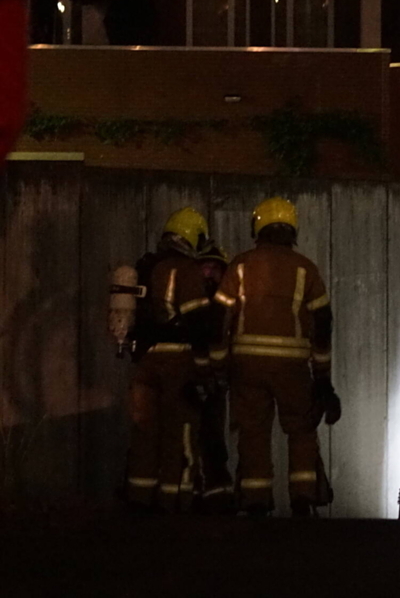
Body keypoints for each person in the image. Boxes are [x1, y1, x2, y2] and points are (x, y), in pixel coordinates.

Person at [210, 197, 341, 517]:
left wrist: (216, 365)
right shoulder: (306, 268)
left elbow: (218, 317)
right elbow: (323, 322)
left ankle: (256, 501)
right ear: (292, 229)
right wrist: (323, 378)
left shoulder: (240, 266)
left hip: (247, 366)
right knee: (301, 429)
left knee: (253, 431)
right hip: (293, 367)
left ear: (258, 227)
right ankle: (303, 498)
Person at [124, 207, 215, 512]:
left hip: (146, 360)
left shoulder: (146, 267)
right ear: (192, 236)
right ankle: (176, 500)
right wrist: (204, 371)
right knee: (182, 432)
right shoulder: (185, 269)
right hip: (178, 361)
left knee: (146, 433)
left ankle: (139, 498)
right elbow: (199, 322)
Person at [194, 241, 234, 513]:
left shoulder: (228, 304)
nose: (208, 274)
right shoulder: (192, 302)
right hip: (192, 382)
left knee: (212, 440)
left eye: (214, 269)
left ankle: (216, 499)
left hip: (215, 384)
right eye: (203, 268)